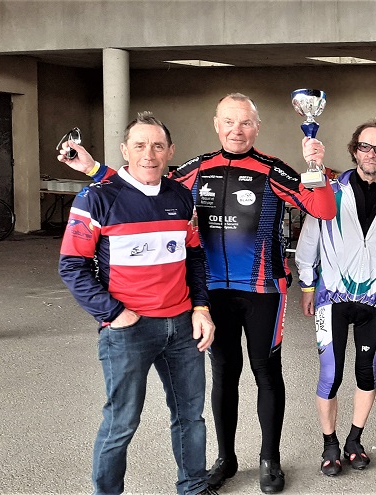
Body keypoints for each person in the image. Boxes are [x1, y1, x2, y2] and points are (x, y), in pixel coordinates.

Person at [65, 93, 338, 493]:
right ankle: (225, 460)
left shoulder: (272, 170)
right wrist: (93, 169)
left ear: (256, 127)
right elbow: (143, 184)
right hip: (209, 295)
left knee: (266, 373)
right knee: (224, 373)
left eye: (245, 122)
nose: (236, 130)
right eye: (229, 121)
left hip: (263, 289)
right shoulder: (194, 170)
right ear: (216, 124)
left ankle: (269, 460)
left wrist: (316, 167)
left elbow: (323, 209)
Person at [58, 113, 217, 495]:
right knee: (121, 423)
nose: (150, 154)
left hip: (182, 326)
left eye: (158, 146)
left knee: (190, 418)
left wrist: (201, 308)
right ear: (125, 150)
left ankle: (194, 487)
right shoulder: (96, 197)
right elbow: (72, 266)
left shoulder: (181, 196)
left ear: (170, 151)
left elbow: (193, 256)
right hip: (128, 330)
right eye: (141, 145)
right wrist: (113, 313)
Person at [295, 118, 376, 478]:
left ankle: (354, 440)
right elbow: (309, 240)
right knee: (330, 376)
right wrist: (306, 284)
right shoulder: (329, 190)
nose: (371, 155)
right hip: (332, 299)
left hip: (374, 303)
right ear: (354, 149)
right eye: (365, 147)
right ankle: (329, 442)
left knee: (367, 374)